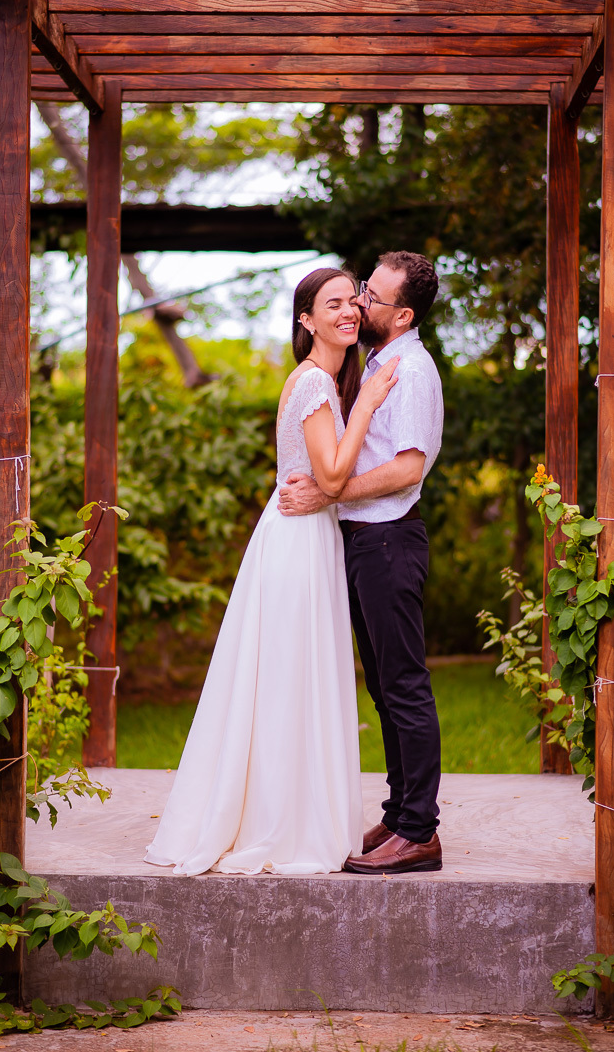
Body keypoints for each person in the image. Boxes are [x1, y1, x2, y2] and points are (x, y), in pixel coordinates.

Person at [145, 267, 398, 876]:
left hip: (306, 538)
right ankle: (279, 824)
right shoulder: (316, 384)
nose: (346, 312)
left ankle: (291, 810)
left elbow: (326, 481)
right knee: (289, 678)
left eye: (351, 303)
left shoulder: (326, 381)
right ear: (305, 320)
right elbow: (333, 477)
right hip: (295, 545)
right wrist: (367, 401)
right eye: (330, 304)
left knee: (295, 676)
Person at [278, 251, 444, 875]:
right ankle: (400, 812)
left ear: (400, 316)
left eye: (371, 298)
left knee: (403, 683)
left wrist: (330, 492)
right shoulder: (375, 363)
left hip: (389, 542)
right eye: (357, 294)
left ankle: (420, 831)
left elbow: (408, 467)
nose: (360, 305)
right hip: (363, 540)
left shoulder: (410, 369)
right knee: (381, 682)